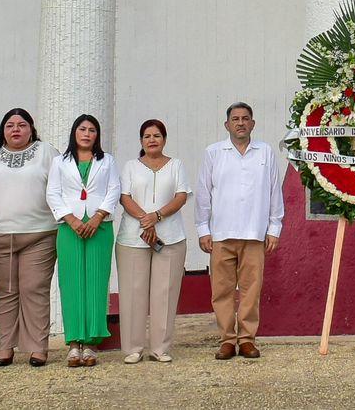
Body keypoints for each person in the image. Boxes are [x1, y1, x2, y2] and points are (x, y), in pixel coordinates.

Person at [195, 101, 285, 360]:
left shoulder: (265, 152)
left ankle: (247, 339)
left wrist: (274, 227)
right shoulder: (214, 152)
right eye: (235, 119)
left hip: (254, 233)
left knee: (251, 290)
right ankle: (226, 340)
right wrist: (203, 228)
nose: (241, 122)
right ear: (227, 124)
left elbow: (273, 192)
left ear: (253, 123)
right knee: (221, 291)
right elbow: (203, 193)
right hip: (221, 234)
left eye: (245, 118)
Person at [0, 107, 56, 368]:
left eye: (22, 125)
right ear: (3, 130)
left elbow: (59, 187)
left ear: (31, 129)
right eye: (10, 125)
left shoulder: (47, 153)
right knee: (6, 292)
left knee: (34, 290)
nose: (16, 129)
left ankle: (38, 348)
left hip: (39, 234)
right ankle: (5, 348)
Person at [47, 113, 121, 367]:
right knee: (71, 282)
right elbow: (53, 193)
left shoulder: (107, 161)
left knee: (96, 282)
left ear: (97, 135)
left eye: (92, 130)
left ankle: (91, 343)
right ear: (74, 133)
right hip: (70, 228)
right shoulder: (60, 162)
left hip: (99, 227)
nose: (87, 134)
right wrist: (73, 220)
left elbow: (114, 190)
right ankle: (74, 343)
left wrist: (98, 217)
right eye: (82, 129)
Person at [117, 119, 191, 363]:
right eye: (147, 136)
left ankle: (160, 348)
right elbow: (124, 197)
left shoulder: (176, 165)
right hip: (133, 238)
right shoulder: (130, 166)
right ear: (141, 141)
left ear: (164, 139)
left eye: (157, 135)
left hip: (169, 237)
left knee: (164, 293)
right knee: (133, 292)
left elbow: (181, 196)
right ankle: (132, 348)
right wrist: (145, 220)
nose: (152, 140)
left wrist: (157, 216)